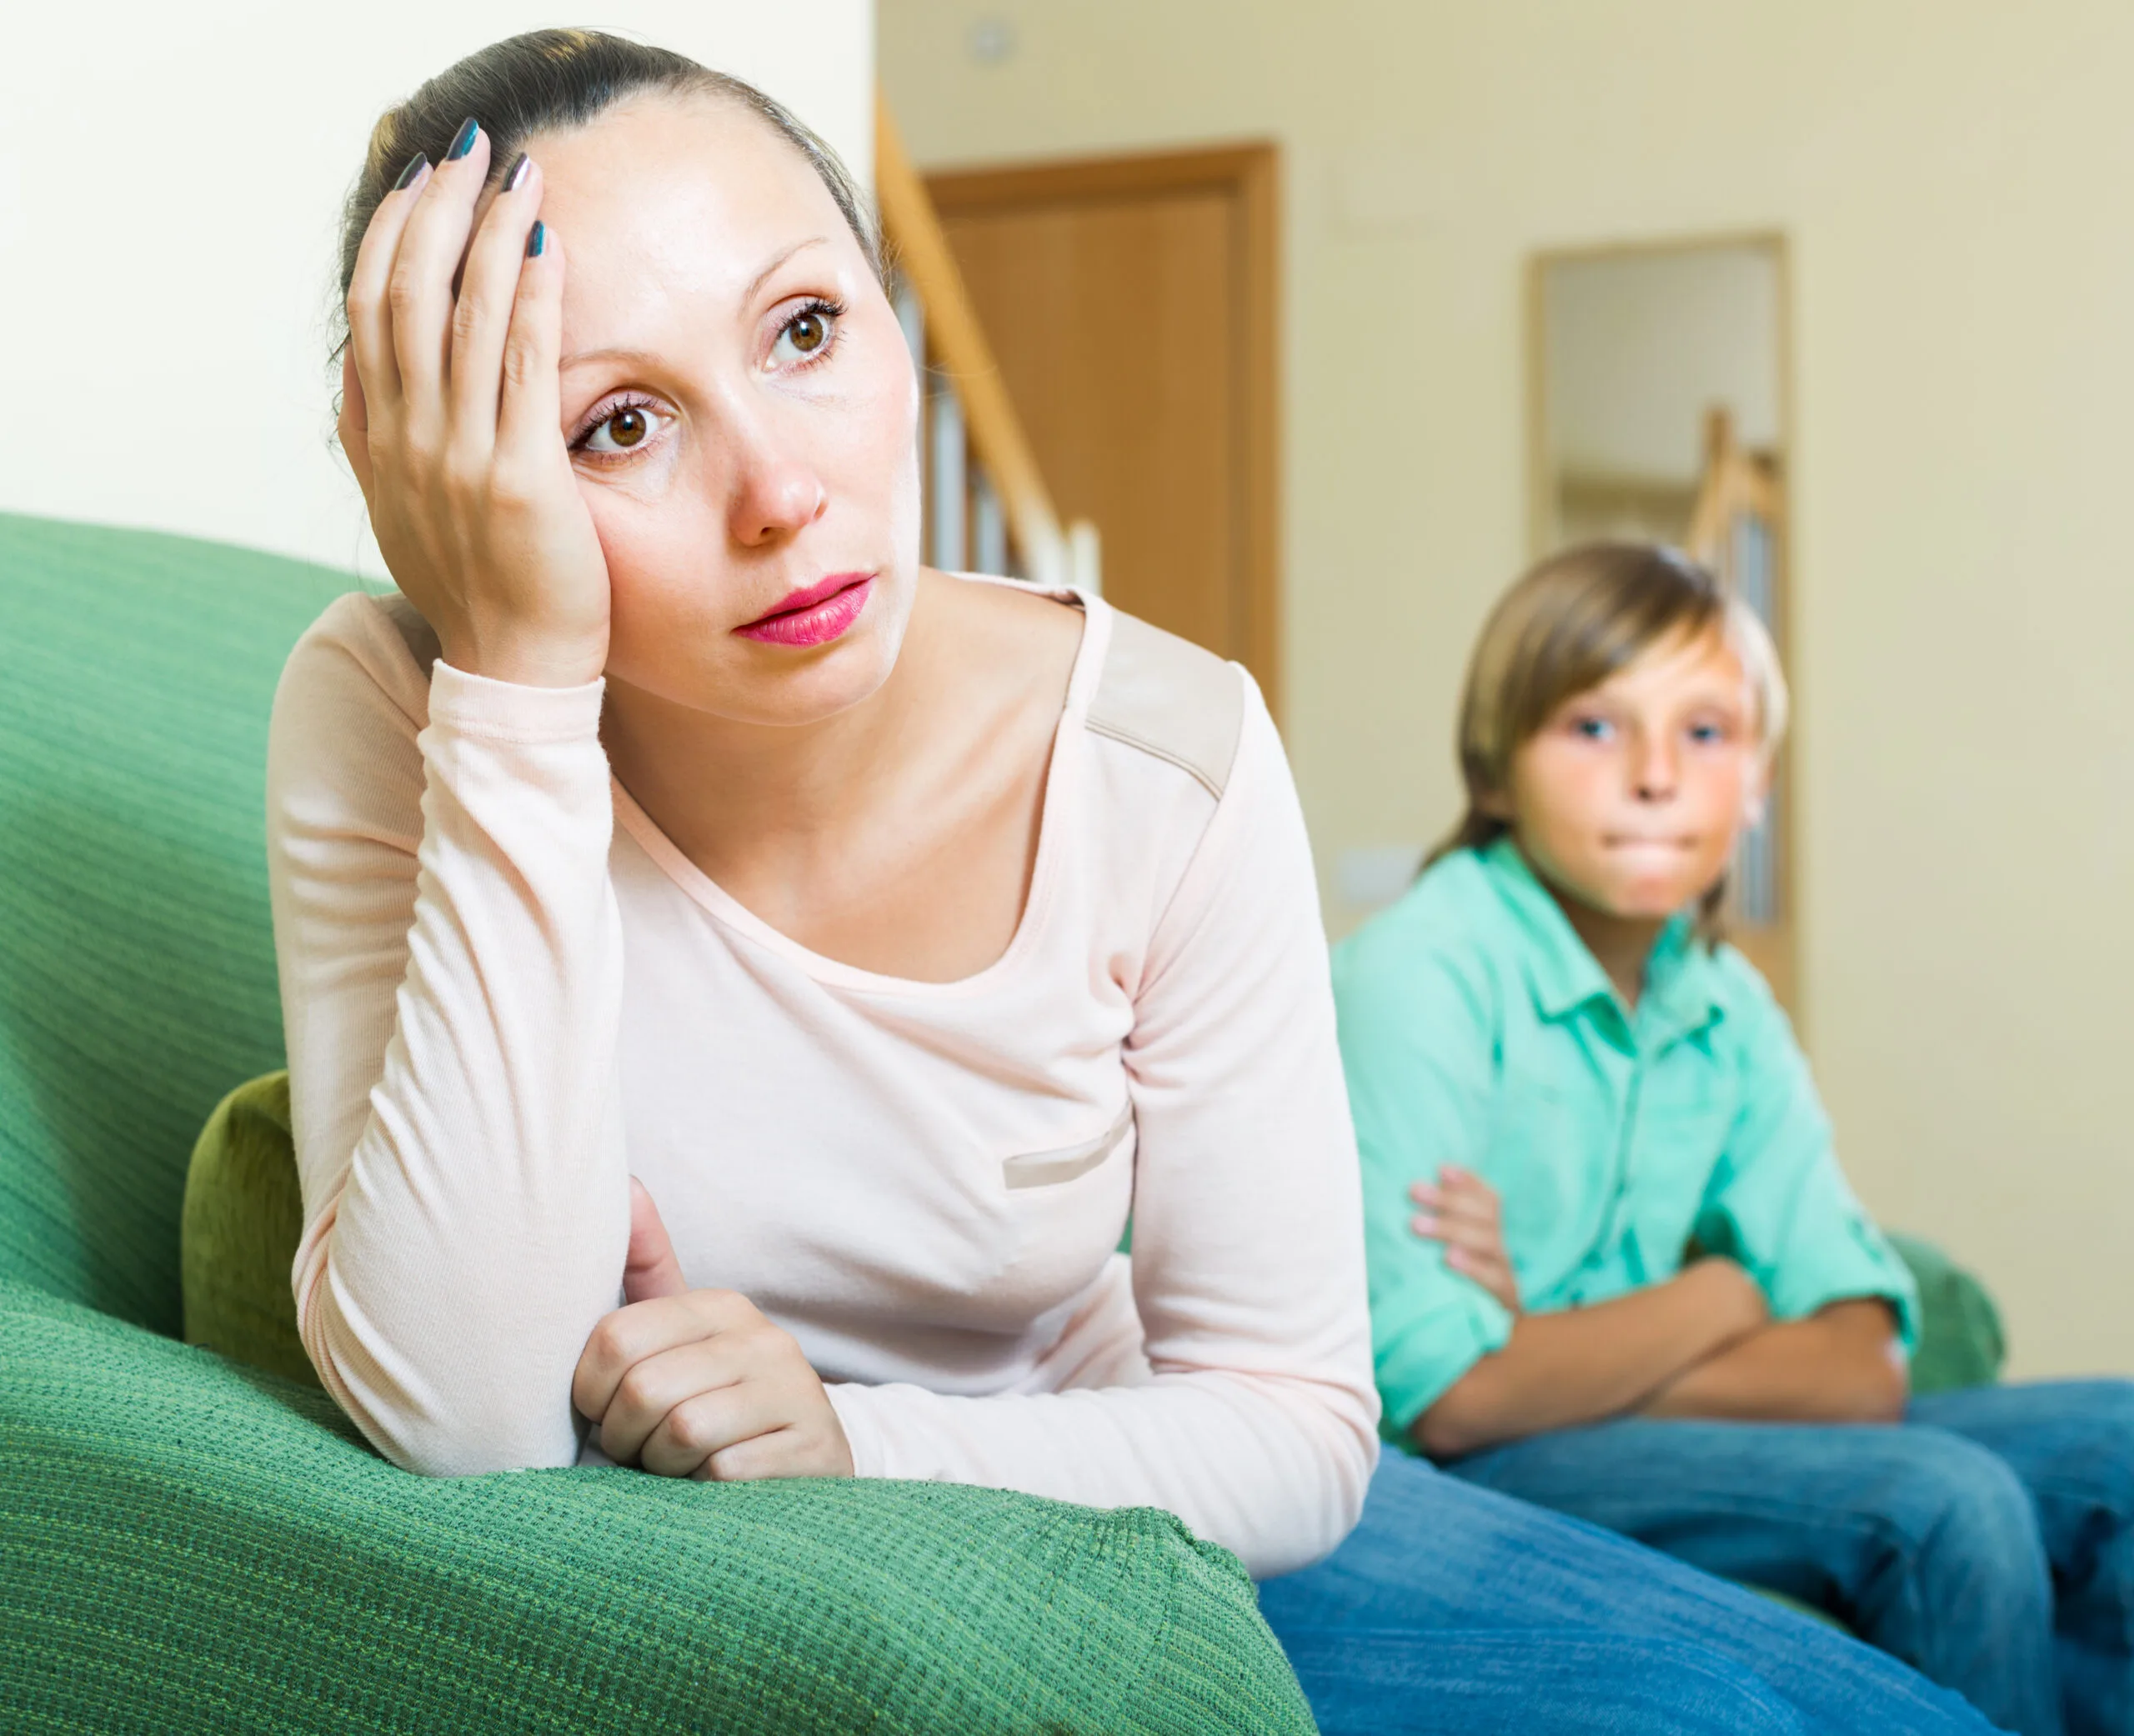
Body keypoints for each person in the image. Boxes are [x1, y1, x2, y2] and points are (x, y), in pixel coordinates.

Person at [272, 32, 1998, 1731]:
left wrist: (847, 1434)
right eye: (619, 425)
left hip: (1145, 1510)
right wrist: (514, 690)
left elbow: (1295, 1428)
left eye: (805, 330)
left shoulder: (1166, 757)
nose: (785, 492)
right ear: (449, 486)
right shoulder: (403, 711)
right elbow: (468, 1414)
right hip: (833, 1614)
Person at [1333, 539, 2134, 1736]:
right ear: (1496, 770)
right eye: (1596, 728)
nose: (1657, 776)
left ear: (1757, 780)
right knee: (1944, 1503)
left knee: (2117, 1439)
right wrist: (1721, 1293)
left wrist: (1551, 1345)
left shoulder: (1722, 1000)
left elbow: (1865, 1358)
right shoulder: (1421, 972)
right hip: (1456, 1473)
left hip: (1606, 1422)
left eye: (1705, 733)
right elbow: (1451, 1397)